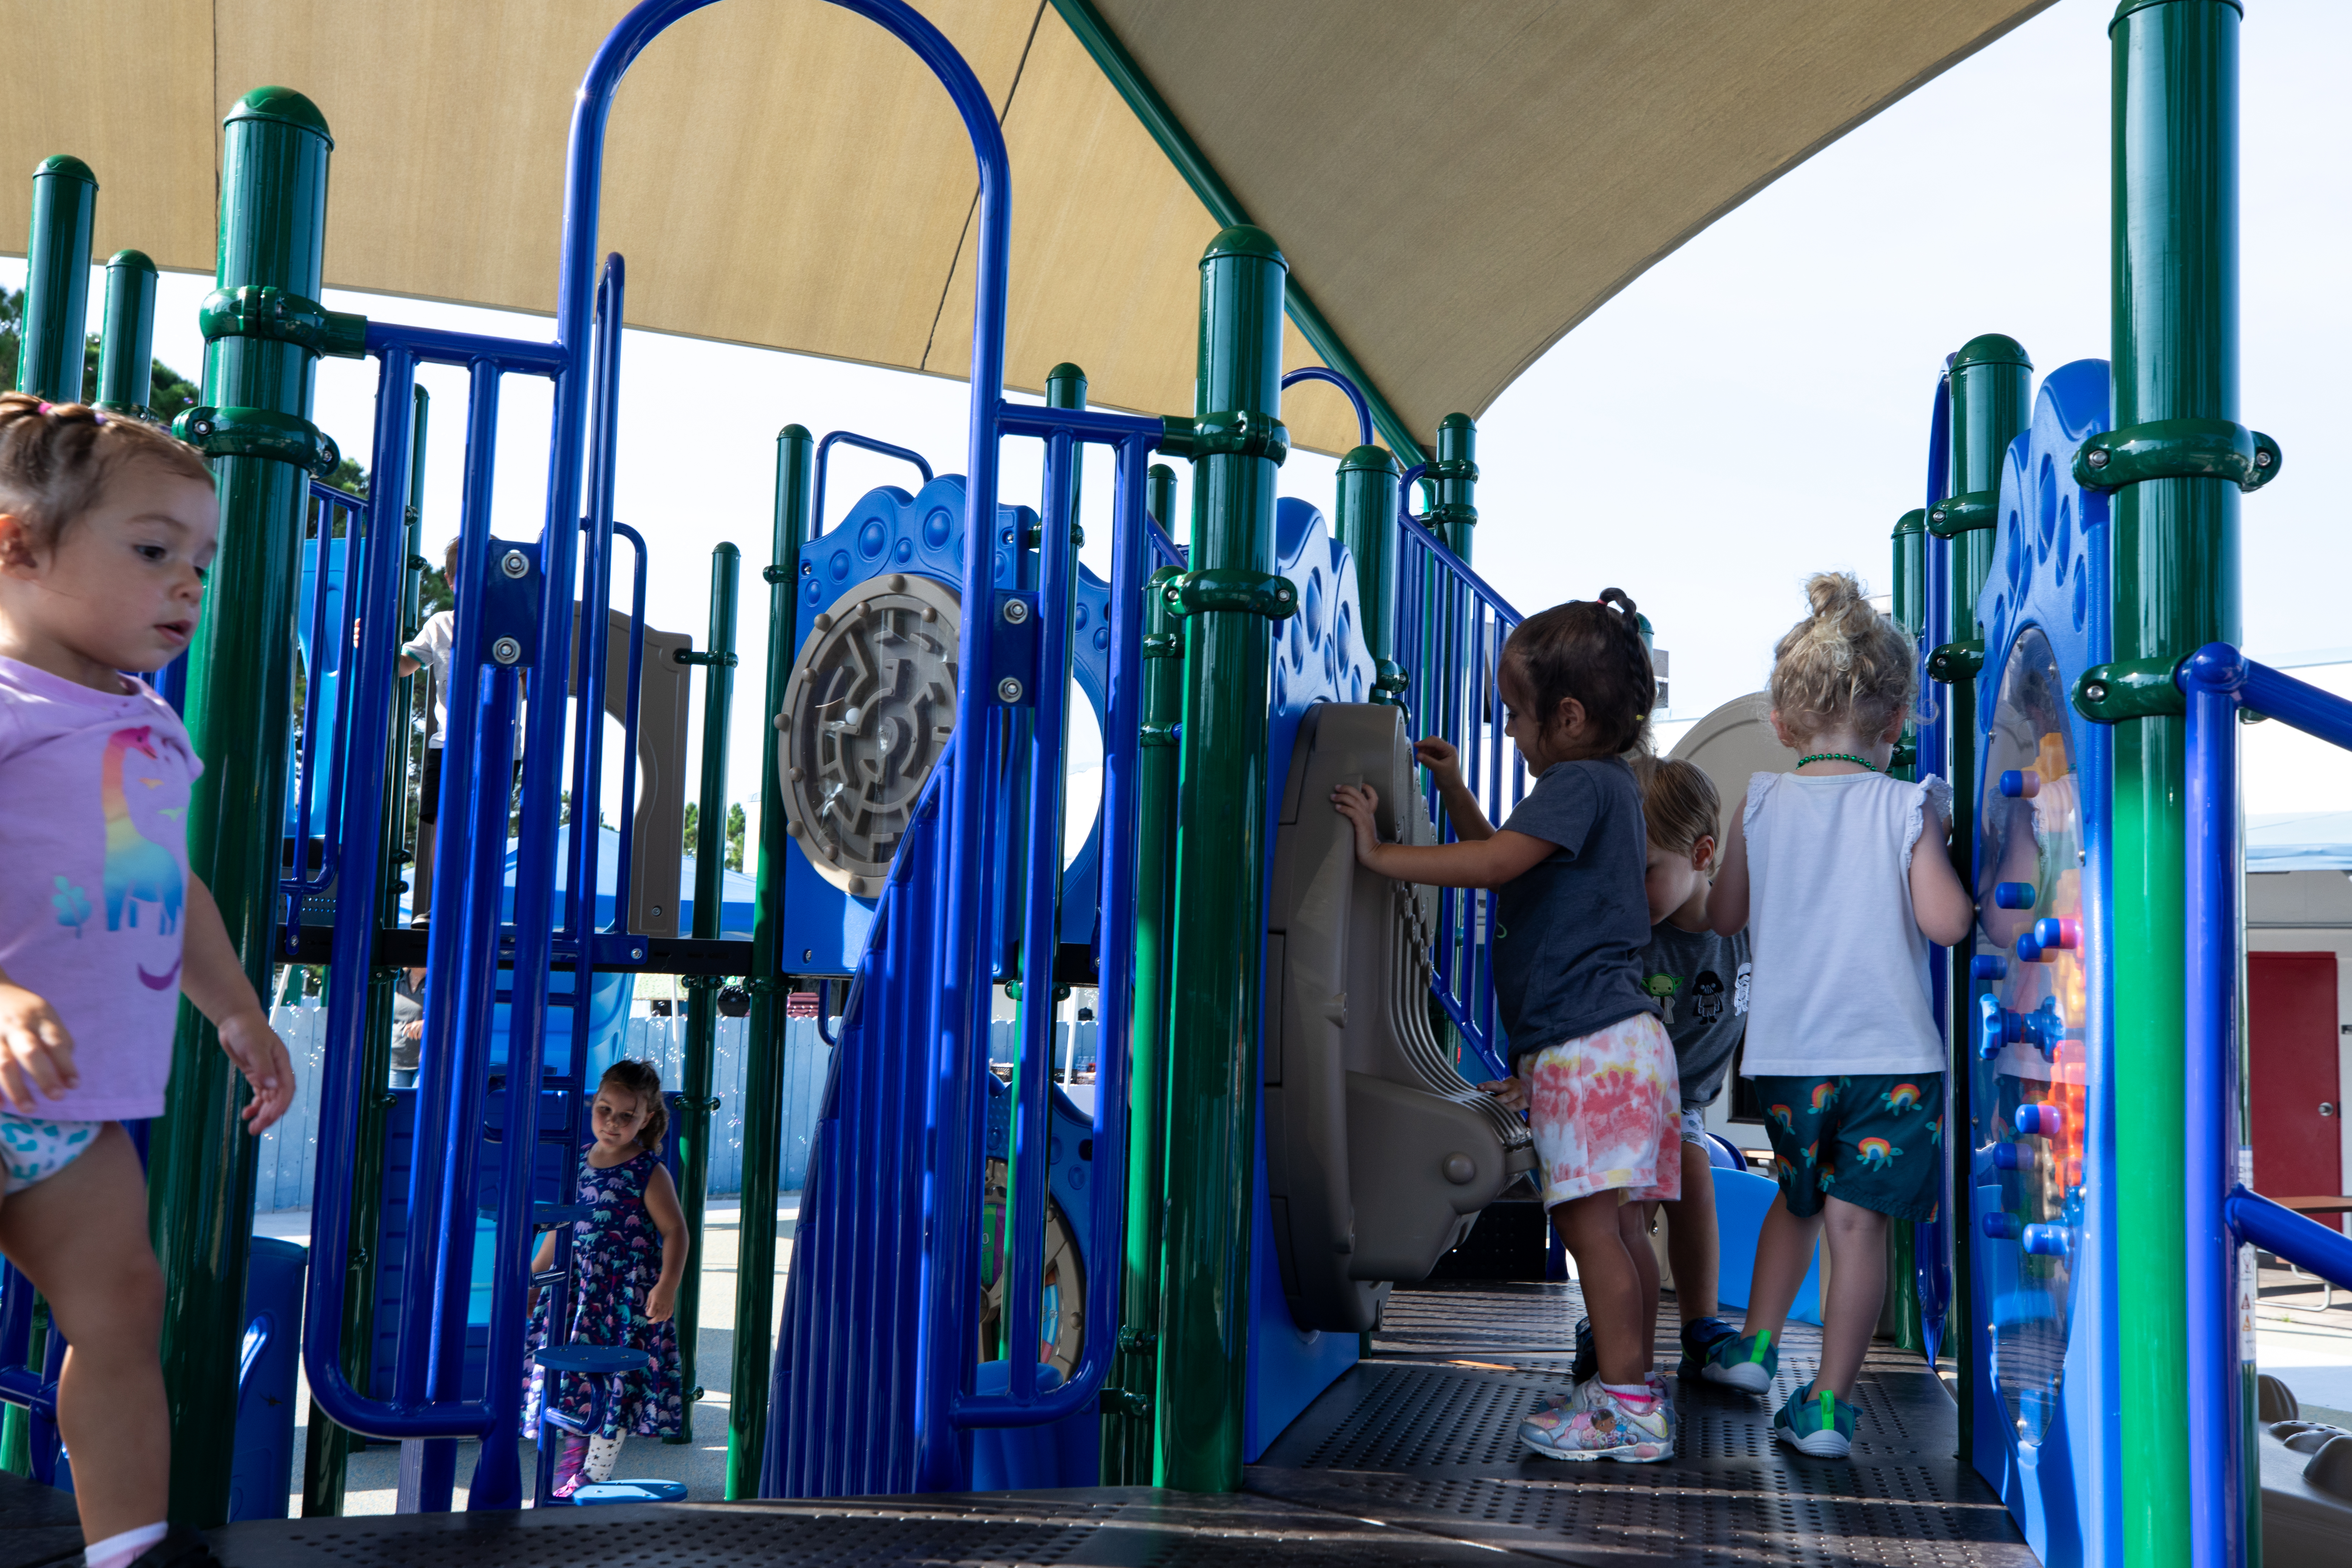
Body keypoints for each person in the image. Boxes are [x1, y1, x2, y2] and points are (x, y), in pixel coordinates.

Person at [0, 395, 295, 1568]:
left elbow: (169, 884)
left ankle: (129, 1552)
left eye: (201, 561)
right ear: (17, 544)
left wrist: (233, 1008)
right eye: (153, 549)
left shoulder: (149, 726)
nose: (188, 583)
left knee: (122, 1307)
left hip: (68, 1114)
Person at [1332, 589, 1679, 1464]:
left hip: (1591, 1047)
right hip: (1620, 1046)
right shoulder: (1604, 791)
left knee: (1589, 1230)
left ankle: (1627, 1404)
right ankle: (1627, 1382)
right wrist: (1449, 786)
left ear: (1568, 717)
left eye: (1518, 718)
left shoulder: (1575, 782)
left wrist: (1381, 855)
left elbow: (1490, 865)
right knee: (1622, 1228)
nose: (1514, 734)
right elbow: (1512, 860)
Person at [1701, 572, 1972, 1458]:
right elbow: (1946, 923)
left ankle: (1753, 1347)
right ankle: (1824, 1405)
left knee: (1793, 1197)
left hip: (1786, 1056)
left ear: (1779, 725)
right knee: (1858, 1227)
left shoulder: (1762, 802)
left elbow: (1725, 914)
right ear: (1894, 723)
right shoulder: (1905, 804)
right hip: (1889, 1060)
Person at [1565, 756, 1750, 1387]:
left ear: (1702, 854)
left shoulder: (1744, 920)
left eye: (1642, 871)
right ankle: (1611, 1319)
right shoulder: (1628, 932)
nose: (1624, 890)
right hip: (1624, 1095)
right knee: (1623, 1215)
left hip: (1686, 1096)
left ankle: (1699, 1327)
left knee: (1693, 1189)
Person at [522, 1059, 689, 1497]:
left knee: (613, 1383)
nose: (612, 1123)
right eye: (604, 1110)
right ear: (592, 1105)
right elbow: (560, 1233)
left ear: (647, 1119)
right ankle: (574, 1463)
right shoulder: (577, 1162)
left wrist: (667, 1284)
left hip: (621, 1297)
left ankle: (593, 1473)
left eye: (626, 1116)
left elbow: (675, 1230)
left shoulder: (648, 1171)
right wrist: (535, 1282)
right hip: (579, 1294)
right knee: (573, 1378)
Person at [393, 541, 461, 910]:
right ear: (452, 581)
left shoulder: (517, 629)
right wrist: (373, 646)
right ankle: (445, 904)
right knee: (444, 826)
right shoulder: (441, 625)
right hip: (448, 743)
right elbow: (405, 664)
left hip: (500, 746)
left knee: (483, 828)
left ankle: (475, 901)